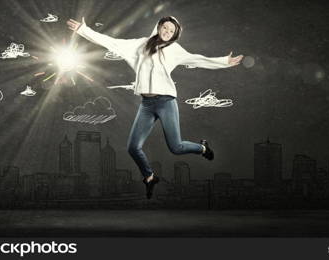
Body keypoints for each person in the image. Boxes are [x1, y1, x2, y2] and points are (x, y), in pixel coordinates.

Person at [67, 16, 243, 199]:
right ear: (158, 27)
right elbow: (110, 42)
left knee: (176, 147)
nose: (167, 32)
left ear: (175, 35)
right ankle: (150, 177)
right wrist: (83, 30)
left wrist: (224, 62)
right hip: (146, 105)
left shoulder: (174, 49)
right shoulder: (140, 45)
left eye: (171, 31)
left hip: (166, 102)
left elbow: (197, 59)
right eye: (165, 28)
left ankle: (203, 148)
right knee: (133, 148)